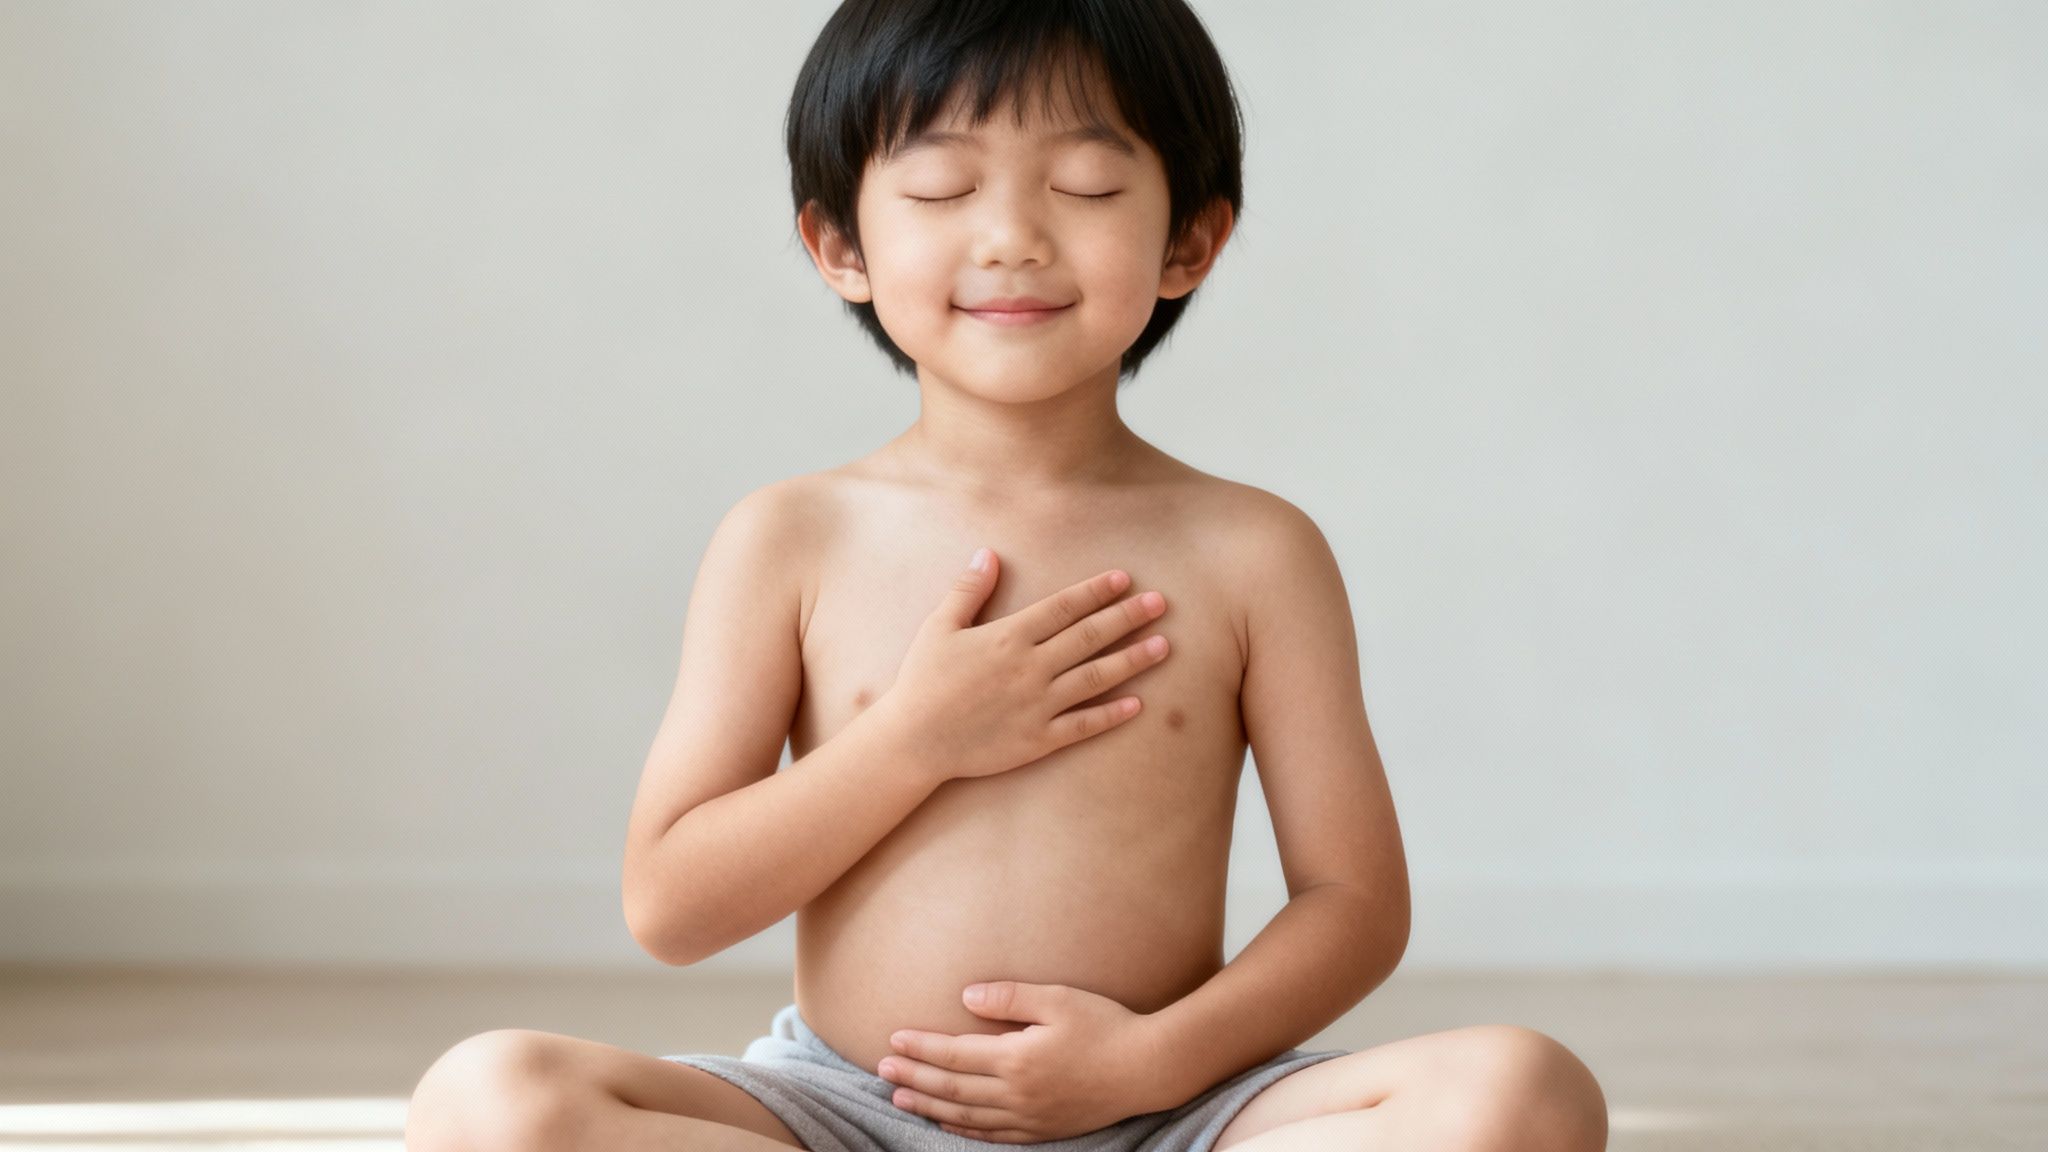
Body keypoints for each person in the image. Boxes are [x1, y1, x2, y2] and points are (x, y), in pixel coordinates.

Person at [407, 1, 1609, 1149]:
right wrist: (915, 740)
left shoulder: (1253, 550)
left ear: (1188, 239)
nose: (1012, 235)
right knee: (486, 1102)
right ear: (838, 245)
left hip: (1175, 1108)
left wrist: (1155, 1062)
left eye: (1085, 186)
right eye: (941, 186)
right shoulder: (789, 537)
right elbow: (671, 906)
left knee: (1521, 1093)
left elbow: (1353, 904)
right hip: (841, 1115)